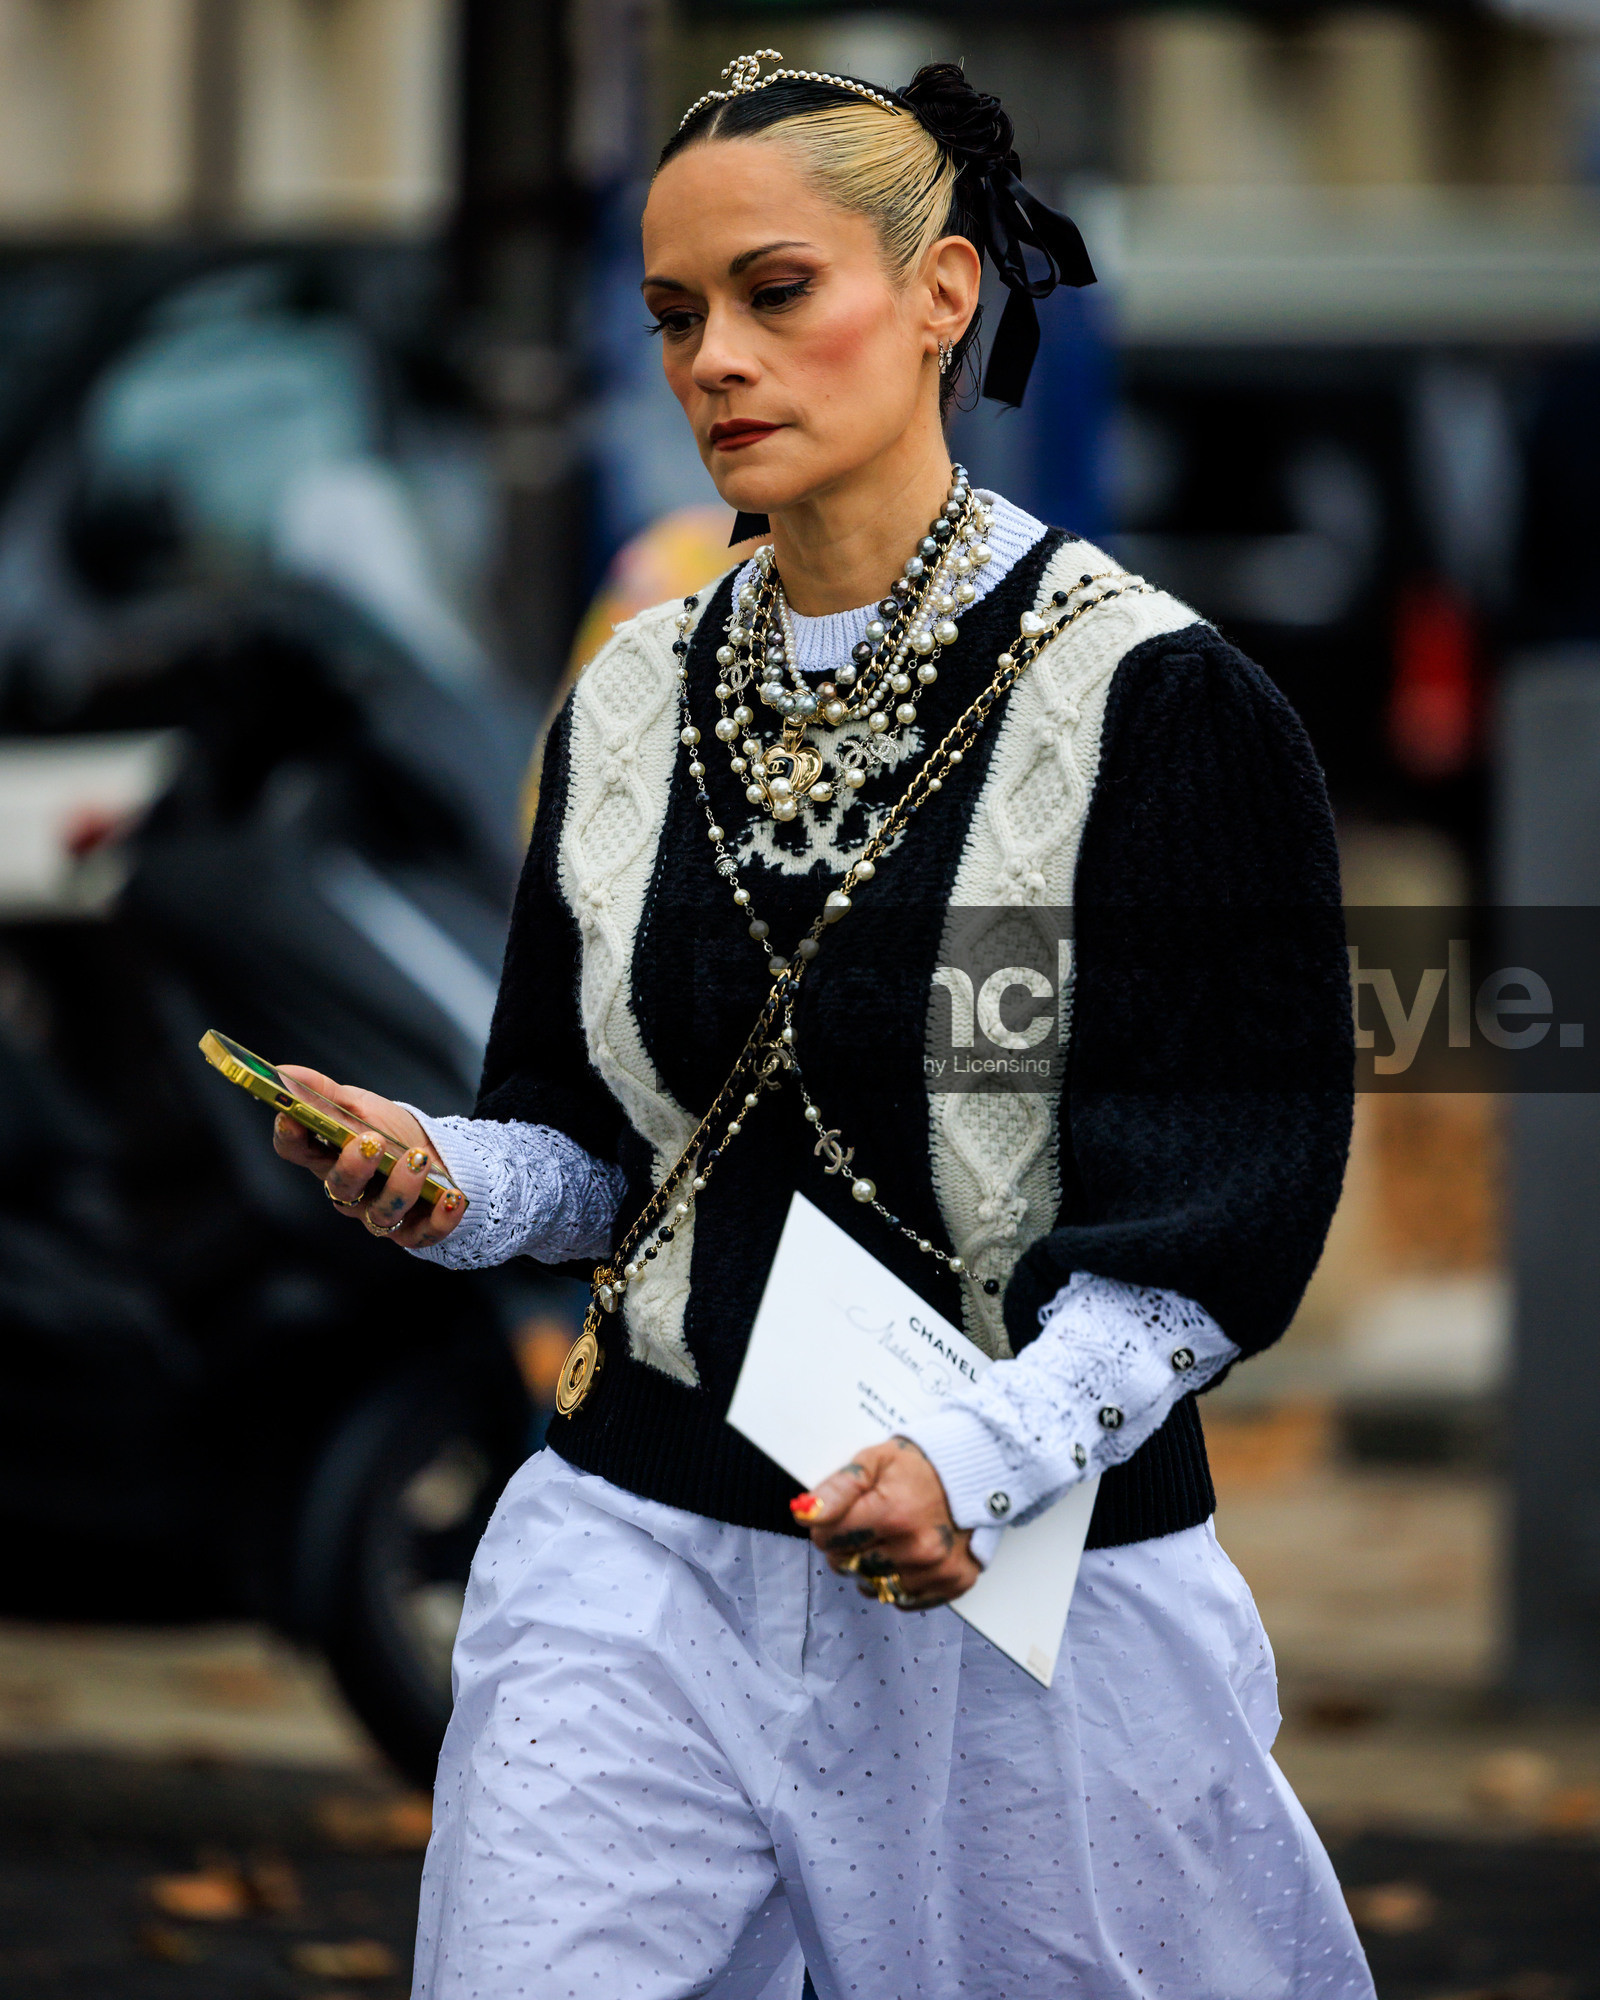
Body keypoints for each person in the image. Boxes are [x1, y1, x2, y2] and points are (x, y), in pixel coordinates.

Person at [272, 53, 1372, 2000]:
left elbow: (1214, 1215)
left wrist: (978, 1455)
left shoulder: (1160, 708)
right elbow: (585, 1136)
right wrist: (449, 1179)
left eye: (774, 292)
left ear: (941, 293)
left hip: (1029, 1587)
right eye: (674, 315)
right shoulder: (626, 693)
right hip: (635, 1539)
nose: (714, 357)